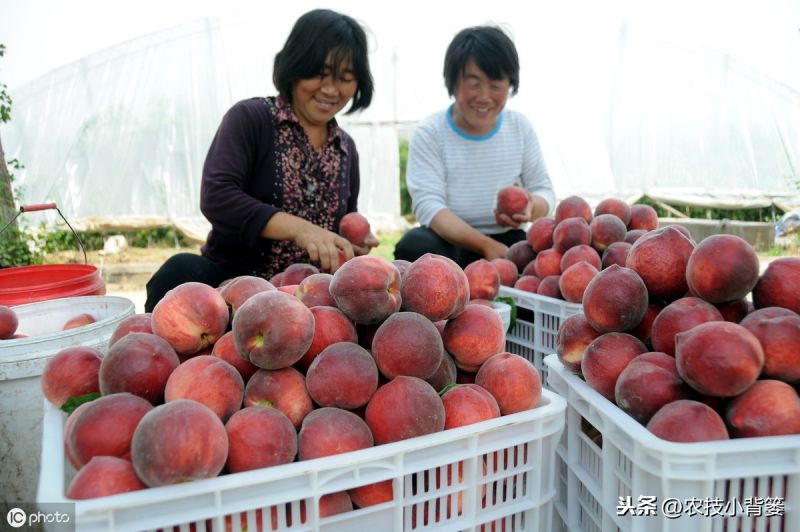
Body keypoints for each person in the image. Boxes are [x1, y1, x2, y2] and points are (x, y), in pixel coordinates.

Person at [144, 9, 378, 312]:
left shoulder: (345, 148)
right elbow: (218, 196)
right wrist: (300, 228)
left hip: (309, 298)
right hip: (234, 287)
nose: (331, 89)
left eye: (345, 78)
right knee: (180, 272)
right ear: (295, 65)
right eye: (319, 73)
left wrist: (350, 244)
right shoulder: (253, 119)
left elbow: (340, 223)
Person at [394, 25, 555, 268]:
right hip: (451, 242)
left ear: (510, 85)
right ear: (453, 83)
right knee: (415, 244)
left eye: (496, 85)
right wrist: (484, 245)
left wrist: (531, 206)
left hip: (507, 240)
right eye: (473, 83)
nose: (484, 96)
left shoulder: (519, 127)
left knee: (547, 253)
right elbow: (429, 205)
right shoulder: (432, 132)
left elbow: (545, 191)